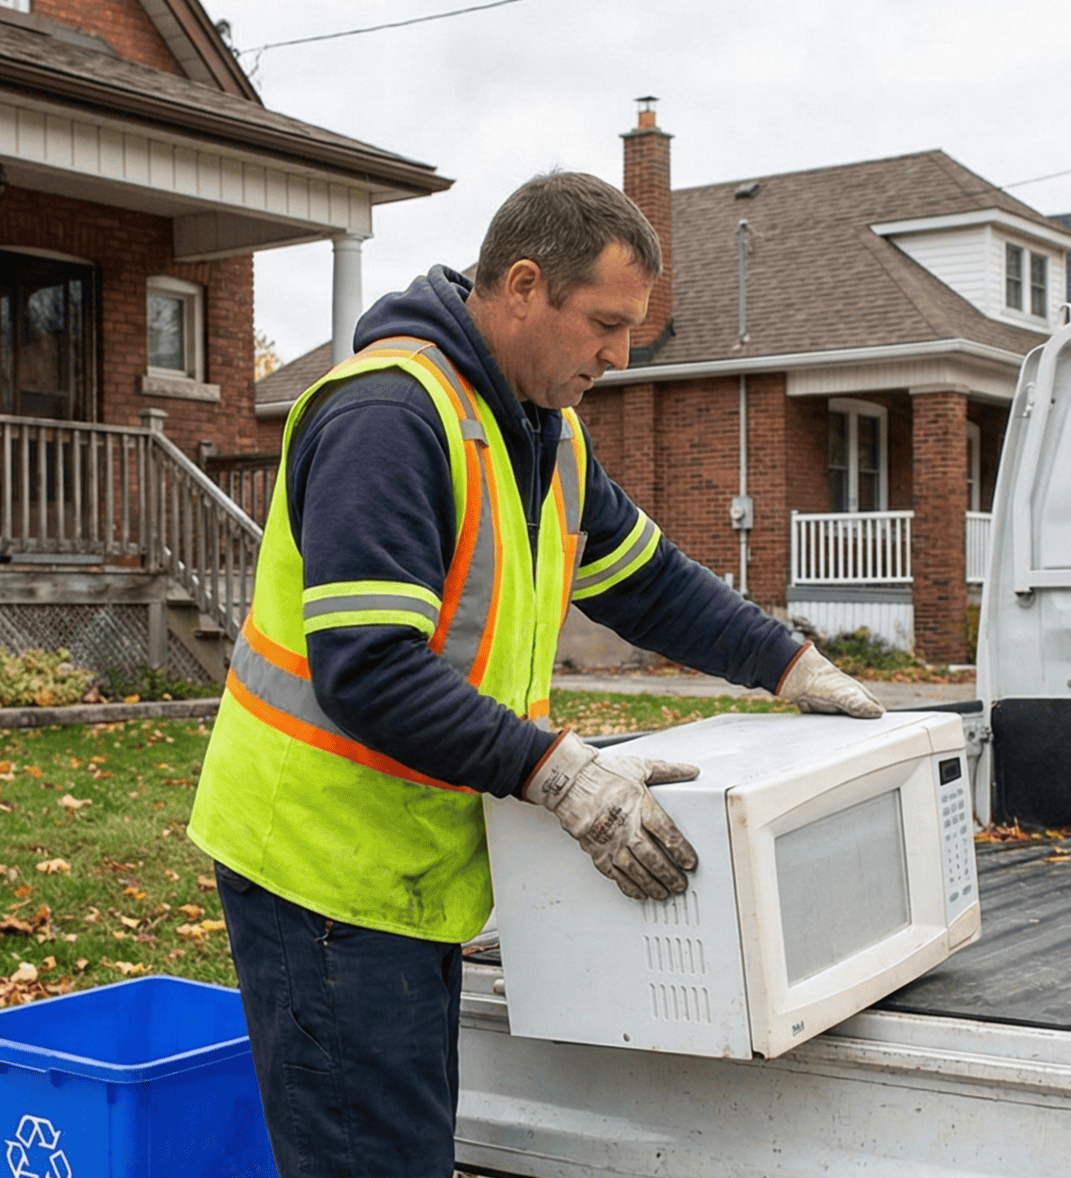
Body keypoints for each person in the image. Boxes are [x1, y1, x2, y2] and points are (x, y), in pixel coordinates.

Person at [188, 170, 884, 1178]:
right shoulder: (388, 417)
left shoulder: (540, 434)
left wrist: (788, 663)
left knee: (402, 1148)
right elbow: (368, 669)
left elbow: (645, 580)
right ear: (521, 285)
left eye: (630, 329)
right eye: (603, 323)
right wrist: (559, 772)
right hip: (319, 870)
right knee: (368, 1158)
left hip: (406, 863)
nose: (617, 353)